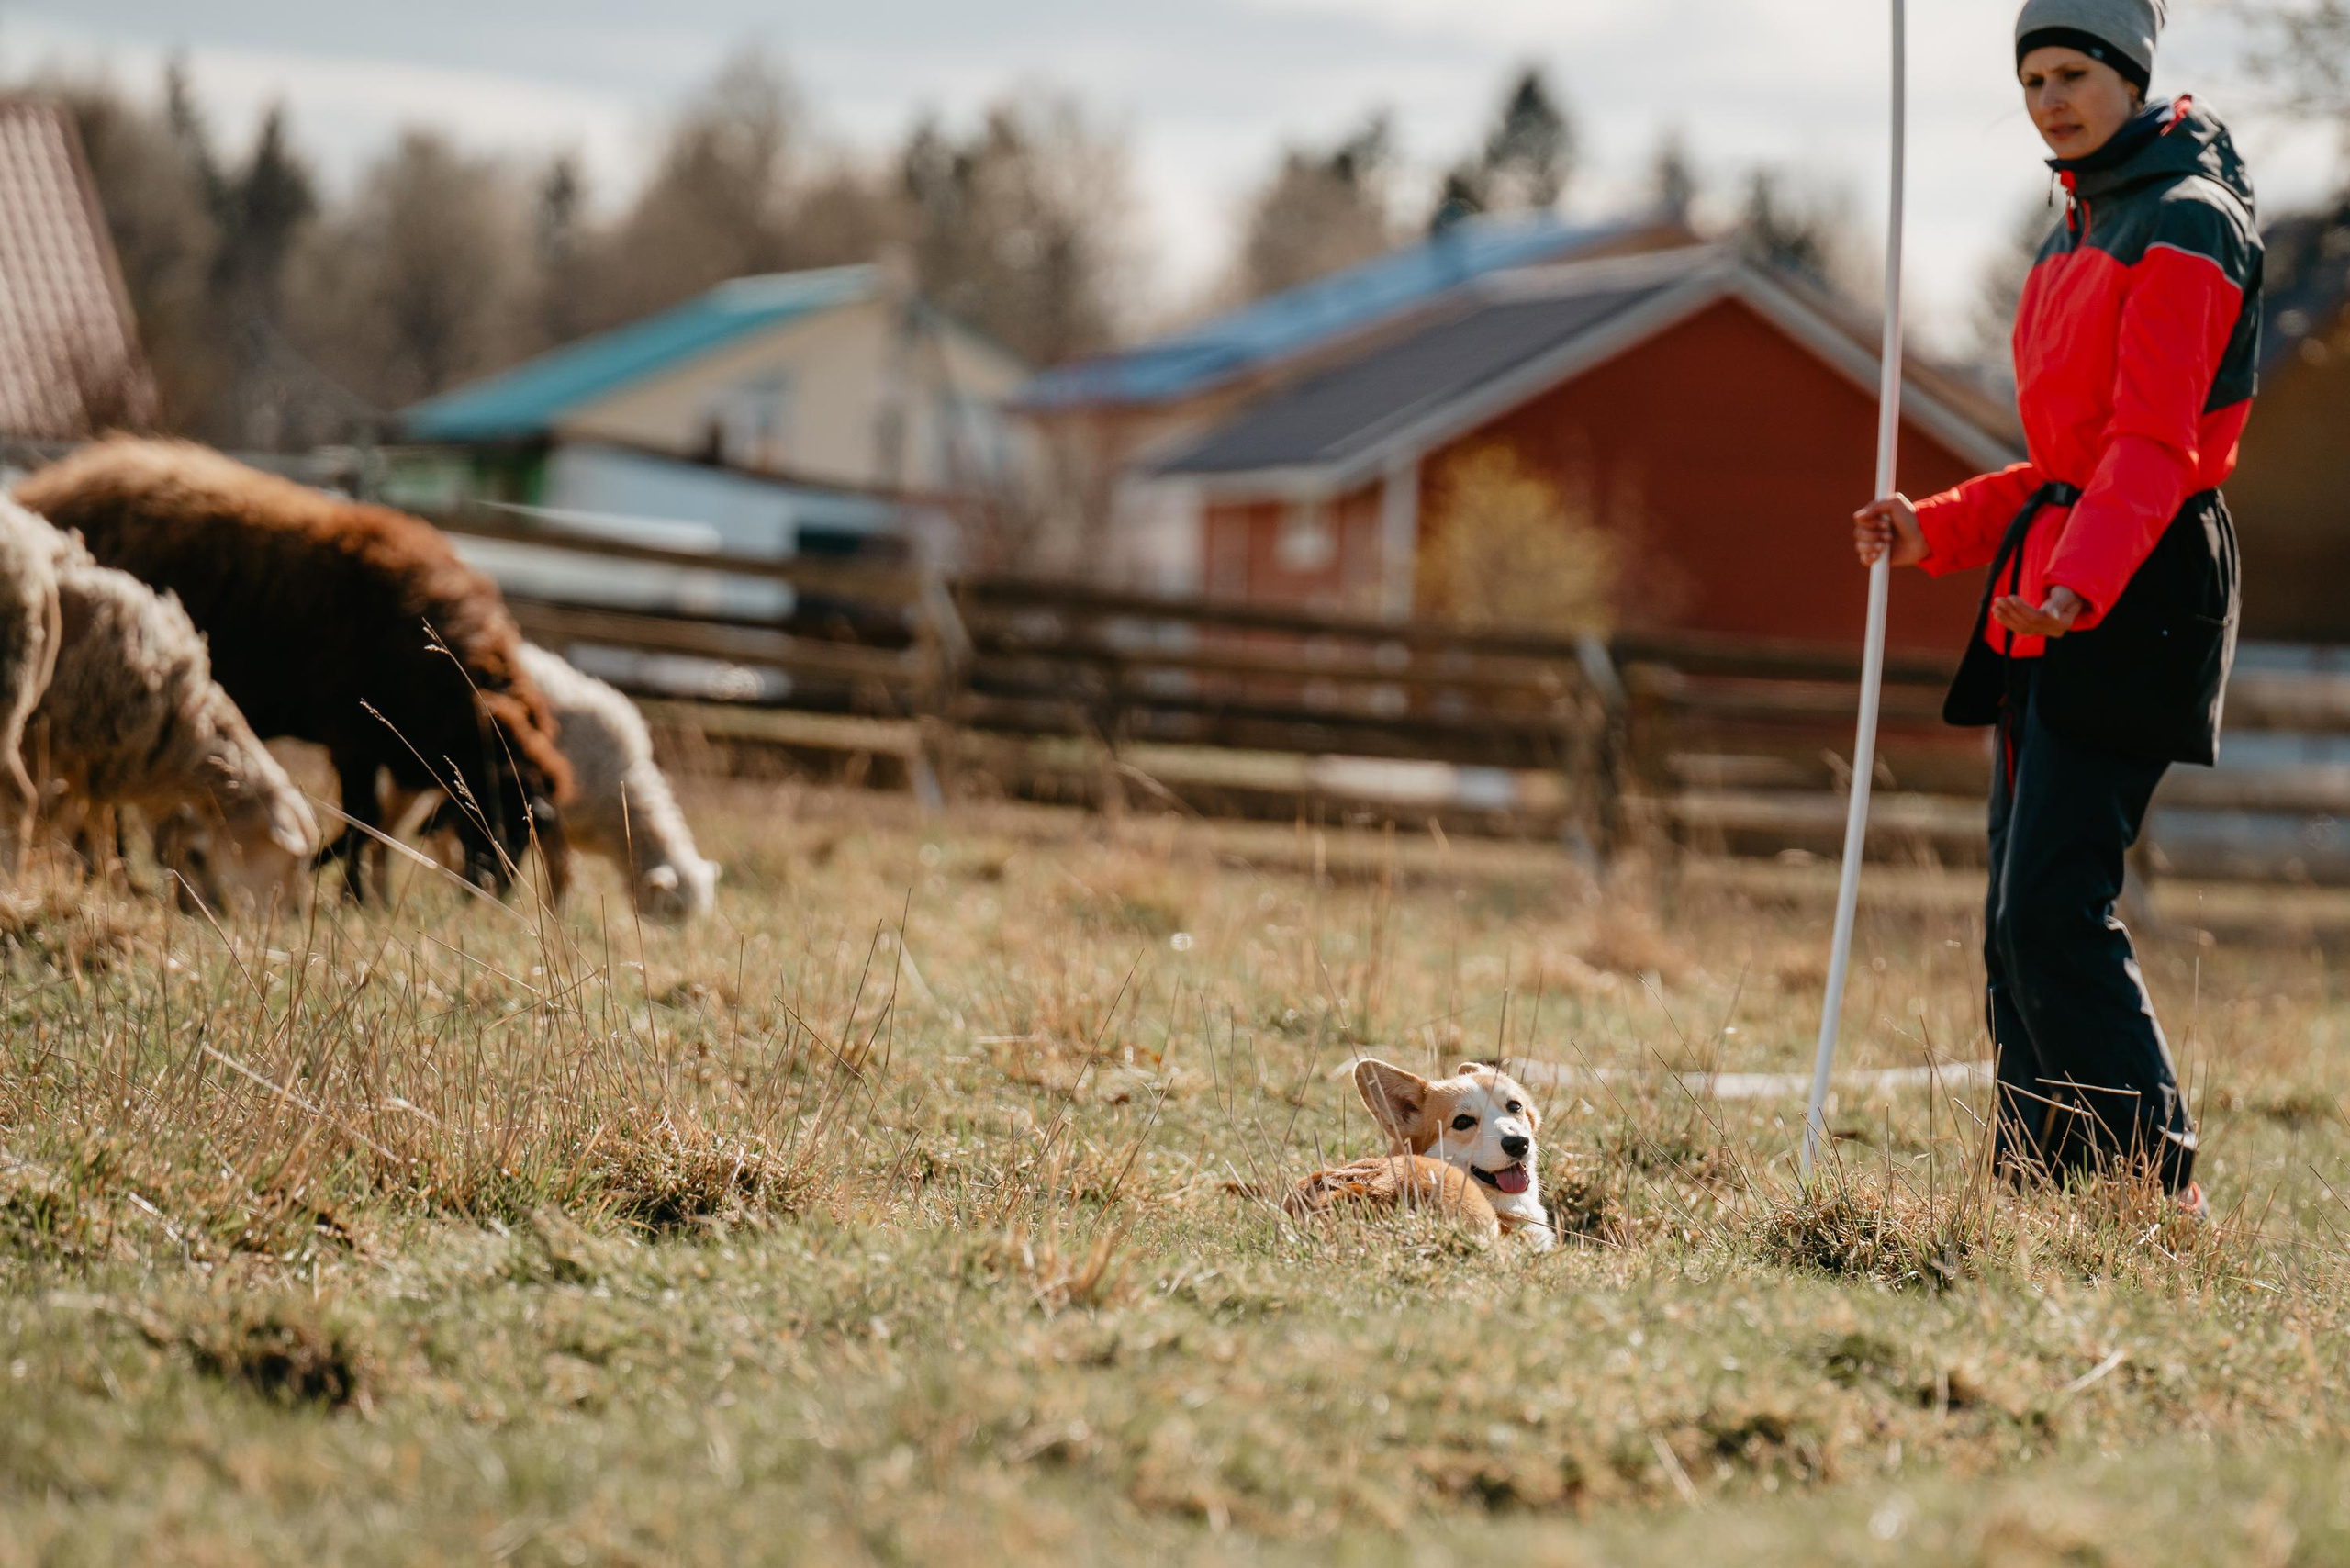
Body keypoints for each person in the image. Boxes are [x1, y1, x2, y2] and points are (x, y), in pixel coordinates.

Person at [1854, 0, 2258, 1216]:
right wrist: (1941, 527)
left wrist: (2079, 584)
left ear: (2132, 76)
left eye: (2073, 72)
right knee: (2008, 915)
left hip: (2139, 587)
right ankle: (2037, 1185)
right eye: (2031, 78)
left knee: (2053, 906)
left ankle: (2158, 1186)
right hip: (2055, 576)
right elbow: (2058, 463)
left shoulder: (2186, 222)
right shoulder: (2072, 230)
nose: (2049, 99)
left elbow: (2152, 448)